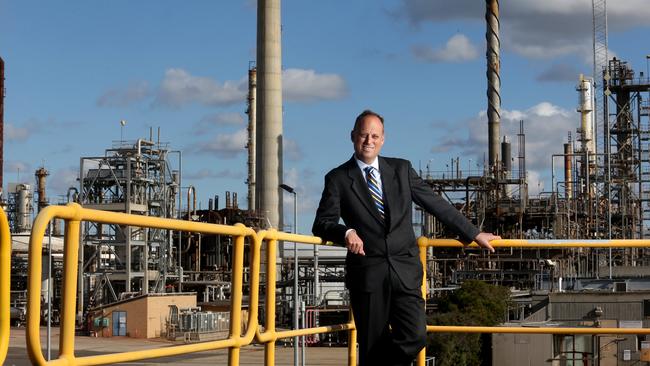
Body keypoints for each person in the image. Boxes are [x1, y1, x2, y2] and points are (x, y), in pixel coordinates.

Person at [312, 109, 500, 366]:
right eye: (364, 135)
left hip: (405, 270)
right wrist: (346, 231)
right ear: (353, 136)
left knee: (415, 335)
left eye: (375, 136)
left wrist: (473, 233)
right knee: (371, 344)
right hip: (368, 275)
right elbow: (322, 223)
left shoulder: (401, 169)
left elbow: (435, 203)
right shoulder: (338, 178)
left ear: (383, 139)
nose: (369, 140)